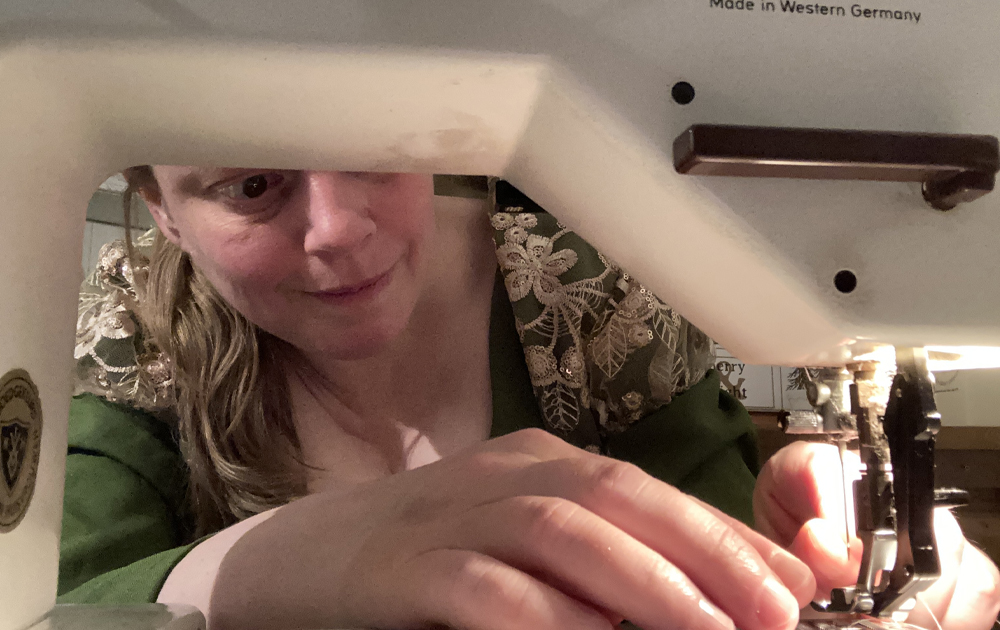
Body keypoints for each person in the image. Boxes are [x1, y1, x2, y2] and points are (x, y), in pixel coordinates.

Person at [62, 168, 999, 630]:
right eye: (254, 186)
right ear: (162, 209)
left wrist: (790, 554)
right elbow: (50, 609)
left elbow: (726, 595)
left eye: (379, 146)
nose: (338, 228)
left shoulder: (587, 291)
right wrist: (264, 566)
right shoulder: (126, 338)